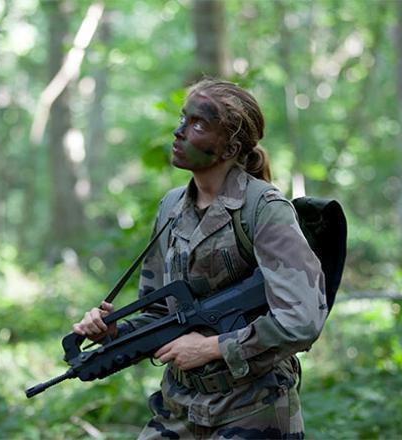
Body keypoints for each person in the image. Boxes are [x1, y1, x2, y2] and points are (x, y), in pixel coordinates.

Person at [73, 78, 327, 439]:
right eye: (182, 119)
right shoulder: (172, 208)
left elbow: (302, 319)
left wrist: (210, 348)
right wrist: (116, 332)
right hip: (179, 405)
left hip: (252, 408)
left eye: (198, 124)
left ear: (229, 147)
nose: (178, 132)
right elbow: (161, 312)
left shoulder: (264, 209)